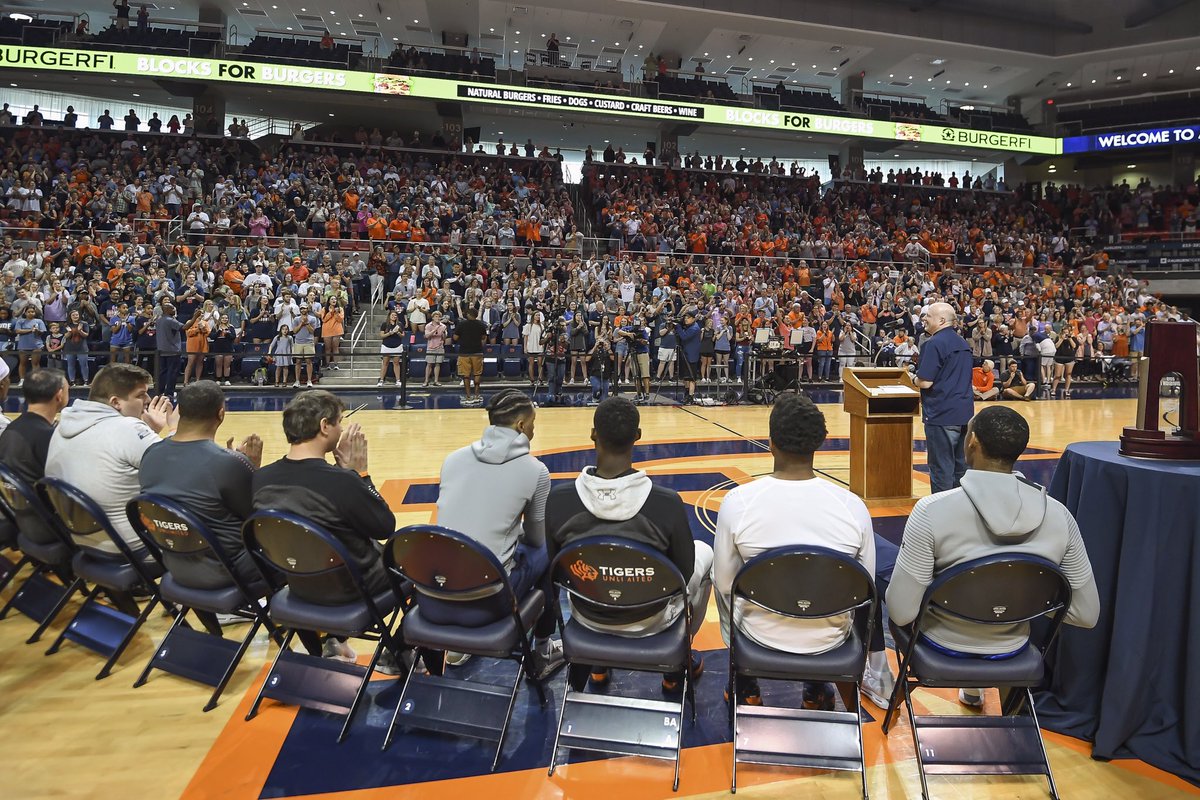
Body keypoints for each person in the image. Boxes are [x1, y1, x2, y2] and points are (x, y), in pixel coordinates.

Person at [887, 406, 1100, 707]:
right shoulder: (1059, 516)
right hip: (1011, 645)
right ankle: (978, 692)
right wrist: (1024, 599)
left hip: (945, 644)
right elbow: (1087, 614)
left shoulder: (931, 510)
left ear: (972, 441)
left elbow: (900, 613)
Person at [713, 392, 891, 708]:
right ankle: (816, 687)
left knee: (720, 576)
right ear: (819, 442)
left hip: (758, 634)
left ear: (771, 442)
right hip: (830, 639)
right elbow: (866, 590)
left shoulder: (738, 502)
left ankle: (745, 681)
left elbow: (726, 584)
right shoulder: (852, 507)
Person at [546, 397, 713, 690]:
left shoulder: (559, 500)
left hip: (588, 614)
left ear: (593, 434)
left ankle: (597, 663)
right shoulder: (666, 503)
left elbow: (555, 569)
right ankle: (676, 665)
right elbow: (683, 575)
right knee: (706, 554)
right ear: (638, 436)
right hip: (650, 618)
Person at [252, 391, 396, 663]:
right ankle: (400, 652)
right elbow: (385, 527)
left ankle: (331, 642)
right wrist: (361, 475)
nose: (341, 428)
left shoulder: (261, 478)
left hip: (297, 583)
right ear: (324, 426)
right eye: (339, 421)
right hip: (351, 588)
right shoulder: (341, 482)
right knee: (415, 560)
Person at [432, 389, 563, 677]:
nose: (533, 429)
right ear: (520, 426)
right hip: (490, 596)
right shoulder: (536, 471)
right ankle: (543, 649)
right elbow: (536, 540)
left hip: (437, 587)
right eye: (532, 423)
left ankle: (455, 647)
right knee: (549, 551)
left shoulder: (452, 459)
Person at [139, 381, 264, 591]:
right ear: (221, 414)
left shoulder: (150, 454)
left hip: (173, 562)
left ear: (181, 413)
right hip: (225, 570)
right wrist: (250, 467)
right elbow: (257, 520)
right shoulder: (229, 463)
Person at [44, 364, 176, 558]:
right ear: (115, 402)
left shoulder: (66, 422)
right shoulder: (128, 428)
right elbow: (181, 471)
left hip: (80, 538)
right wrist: (174, 432)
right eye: (140, 395)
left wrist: (150, 431)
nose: (147, 400)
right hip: (128, 547)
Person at [911, 302, 973, 493]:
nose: (924, 319)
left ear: (941, 320)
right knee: (960, 468)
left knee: (941, 468)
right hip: (964, 413)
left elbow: (925, 382)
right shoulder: (963, 343)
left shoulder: (934, 343)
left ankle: (942, 515)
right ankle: (962, 510)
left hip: (941, 413)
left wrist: (911, 377)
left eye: (928, 316)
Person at [0, 369, 68, 486]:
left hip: (13, 502)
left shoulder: (10, 428)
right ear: (59, 395)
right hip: (40, 502)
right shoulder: (50, 437)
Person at [453, 306, 486, 406]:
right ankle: (476, 395)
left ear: (468, 314)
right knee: (477, 374)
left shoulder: (462, 324)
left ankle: (468, 396)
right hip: (477, 352)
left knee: (466, 375)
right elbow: (484, 337)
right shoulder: (481, 324)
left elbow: (455, 337)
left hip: (464, 352)